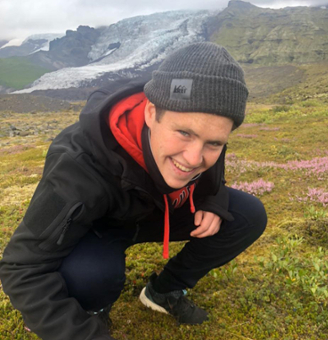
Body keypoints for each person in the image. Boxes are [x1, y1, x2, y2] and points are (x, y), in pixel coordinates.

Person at [0, 42, 267, 340]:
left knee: (247, 215)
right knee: (90, 275)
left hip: (156, 212)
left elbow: (212, 165)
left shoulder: (203, 133)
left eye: (214, 143)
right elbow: (21, 267)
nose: (194, 158)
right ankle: (91, 312)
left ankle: (163, 292)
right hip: (99, 229)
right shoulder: (78, 168)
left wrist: (212, 199)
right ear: (151, 113)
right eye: (184, 133)